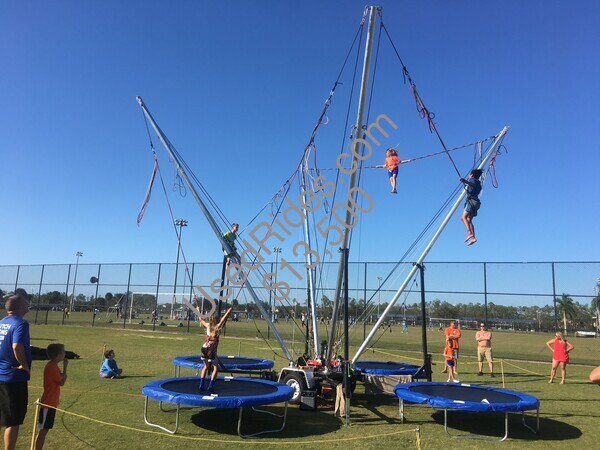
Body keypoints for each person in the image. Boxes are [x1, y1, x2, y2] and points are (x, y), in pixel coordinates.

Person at [0, 289, 32, 450]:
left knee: (2, 415)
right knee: (13, 420)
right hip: (13, 378)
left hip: (1, 375)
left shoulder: (2, 322)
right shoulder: (21, 323)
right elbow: (17, 346)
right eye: (26, 304)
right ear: (19, 307)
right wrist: (24, 365)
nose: (28, 306)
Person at [35, 343, 68, 450]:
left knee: (46, 429)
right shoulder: (51, 367)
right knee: (43, 430)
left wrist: (63, 373)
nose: (64, 354)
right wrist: (65, 368)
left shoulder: (53, 366)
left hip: (52, 403)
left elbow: (60, 377)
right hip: (47, 404)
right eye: (63, 352)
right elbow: (61, 382)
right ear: (58, 355)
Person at [198, 306, 233, 394]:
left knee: (205, 367)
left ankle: (201, 385)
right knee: (215, 368)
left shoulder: (208, 325)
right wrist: (228, 312)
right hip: (211, 350)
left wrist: (198, 310)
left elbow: (200, 319)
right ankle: (210, 386)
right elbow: (223, 320)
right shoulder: (217, 327)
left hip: (204, 348)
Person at [459, 168, 483, 246]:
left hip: (471, 201)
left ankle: (469, 233)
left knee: (463, 217)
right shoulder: (479, 184)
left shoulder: (472, 180)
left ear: (472, 175)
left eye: (469, 175)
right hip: (477, 203)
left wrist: (464, 181)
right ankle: (473, 238)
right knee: (469, 220)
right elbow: (473, 187)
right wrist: (466, 183)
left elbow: (472, 184)